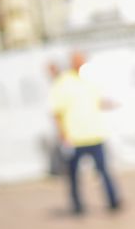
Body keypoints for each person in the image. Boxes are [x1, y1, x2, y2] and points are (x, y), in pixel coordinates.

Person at [48, 51, 121, 215]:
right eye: (78, 61)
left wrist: (113, 103)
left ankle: (113, 200)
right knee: (73, 175)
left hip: (94, 134)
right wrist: (62, 133)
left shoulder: (89, 80)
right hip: (75, 138)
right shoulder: (63, 83)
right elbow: (56, 111)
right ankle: (77, 206)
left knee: (103, 171)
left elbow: (97, 101)